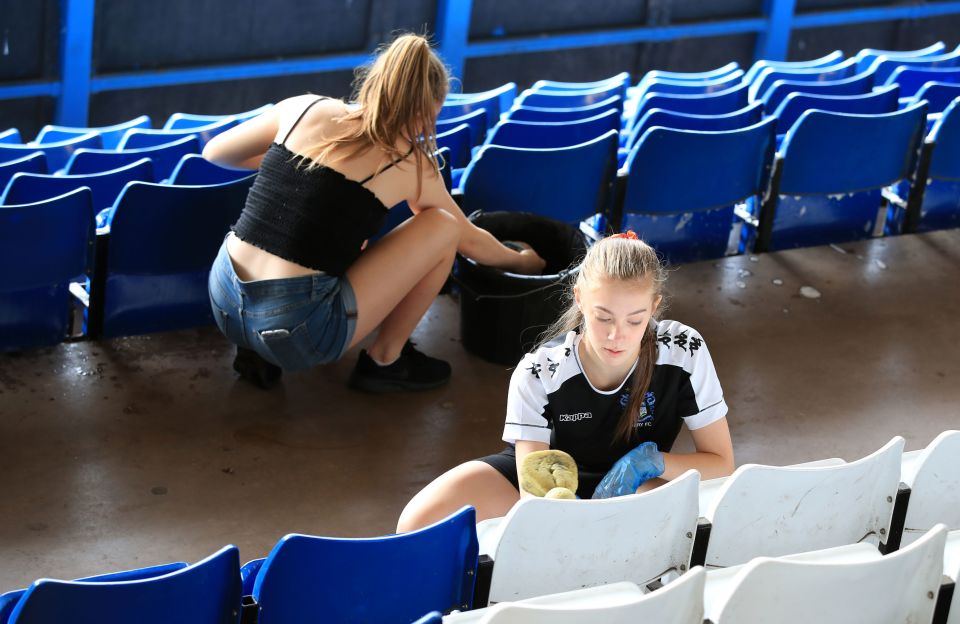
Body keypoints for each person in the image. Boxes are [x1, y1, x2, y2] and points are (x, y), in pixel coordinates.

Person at [203, 34, 545, 391]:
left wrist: (295, 170)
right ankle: (386, 361)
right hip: (294, 331)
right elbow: (469, 239)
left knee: (331, 243)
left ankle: (255, 355)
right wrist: (523, 262)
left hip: (223, 299)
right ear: (426, 111)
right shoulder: (410, 164)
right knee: (444, 227)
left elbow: (215, 152)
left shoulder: (305, 107)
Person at [397, 231, 734, 531]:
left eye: (636, 320)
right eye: (603, 317)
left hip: (637, 483)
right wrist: (558, 505)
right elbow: (535, 492)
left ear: (655, 306)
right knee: (419, 521)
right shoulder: (539, 371)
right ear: (579, 298)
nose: (617, 336)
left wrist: (652, 463)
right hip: (551, 482)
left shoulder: (683, 350)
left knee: (651, 518)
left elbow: (721, 464)